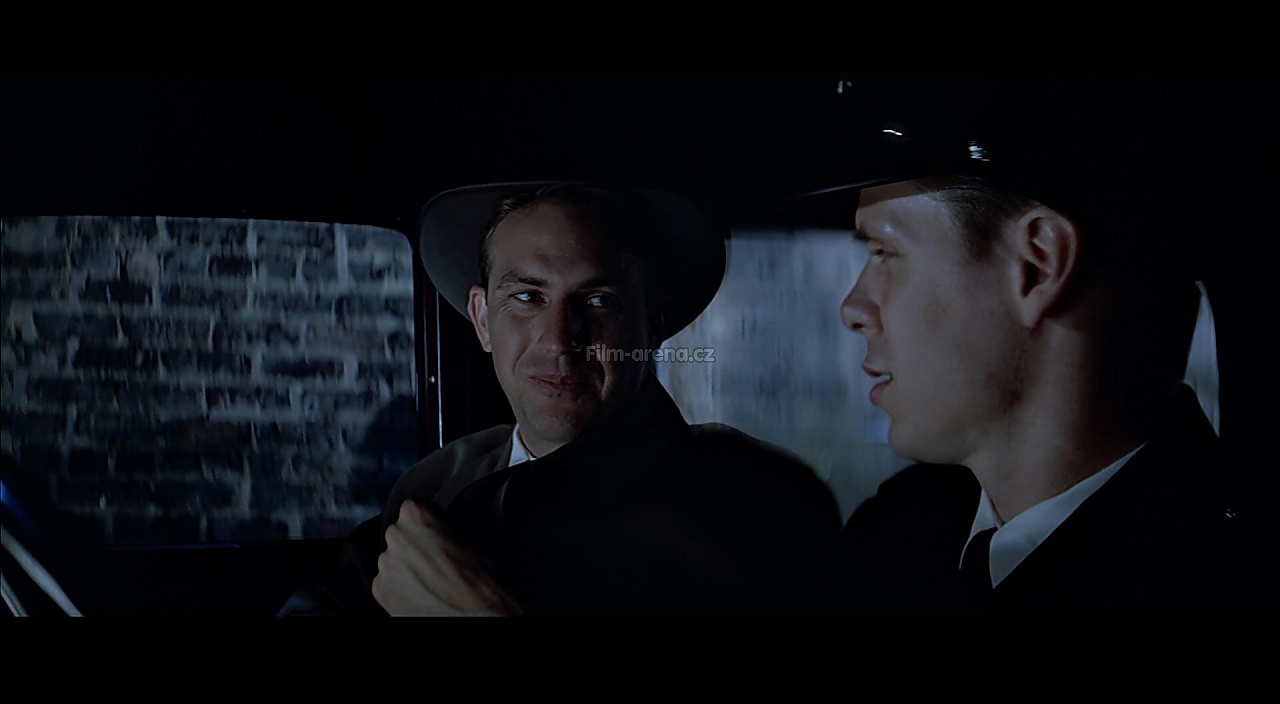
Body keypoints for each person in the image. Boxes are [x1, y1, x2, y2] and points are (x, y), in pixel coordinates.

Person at [808, 73, 1265, 614]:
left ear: (1037, 265)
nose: (853, 309)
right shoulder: (896, 539)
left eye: (884, 253)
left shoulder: (1222, 582)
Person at [281, 182, 842, 616]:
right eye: (527, 297)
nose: (558, 340)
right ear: (483, 319)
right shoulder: (438, 479)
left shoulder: (757, 506)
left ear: (652, 328)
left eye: (598, 302)